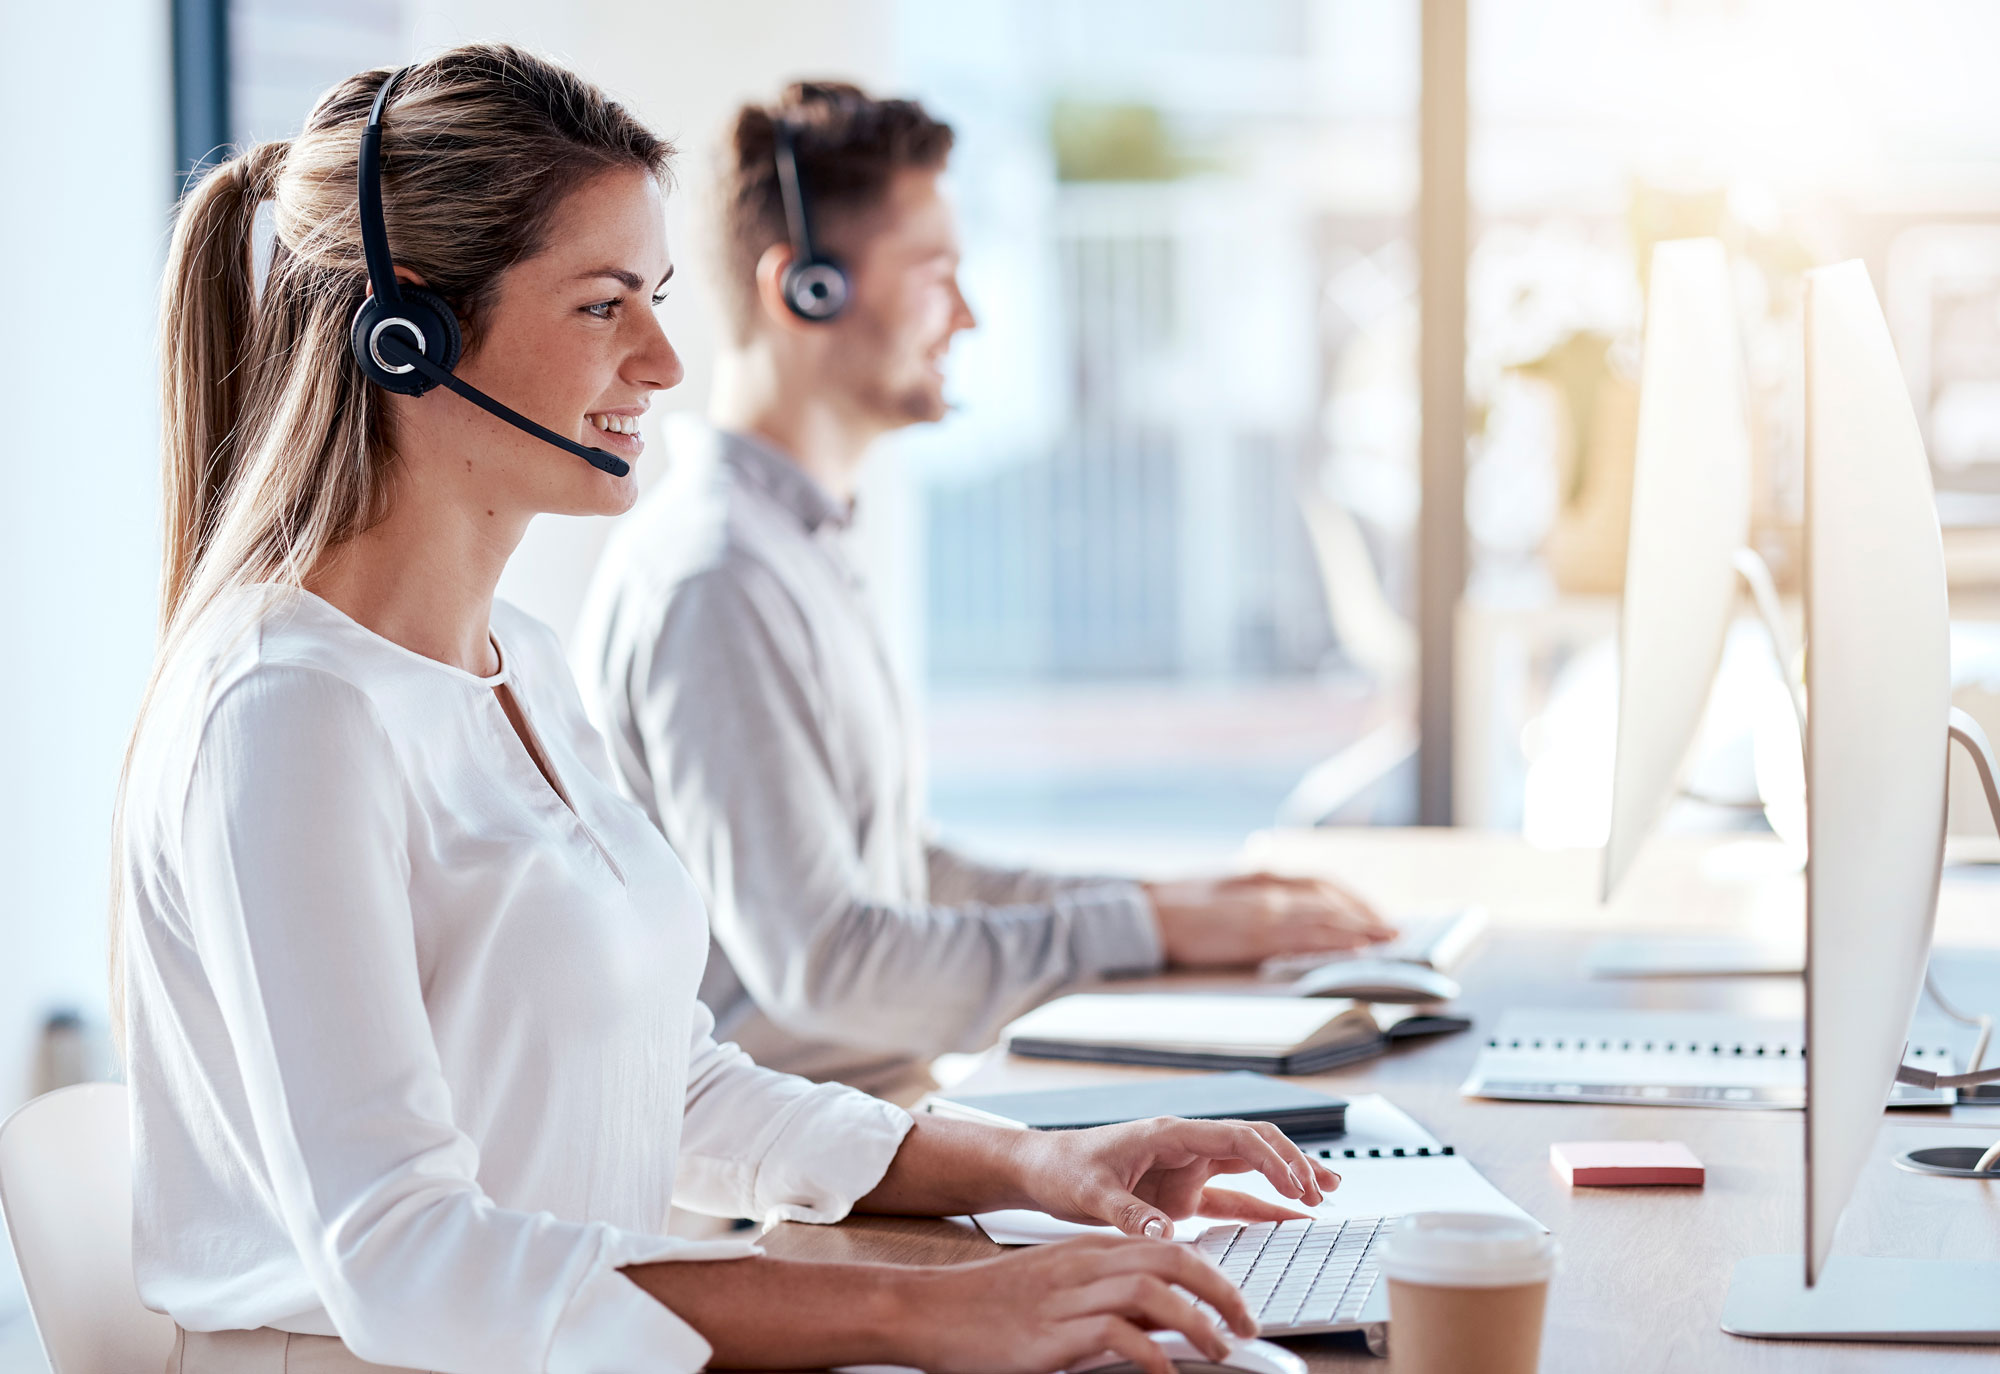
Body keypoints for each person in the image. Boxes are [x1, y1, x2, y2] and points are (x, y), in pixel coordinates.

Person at [115, 46, 1340, 1374]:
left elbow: (671, 1077)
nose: (661, 358)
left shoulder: (514, 661)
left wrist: (1041, 1166)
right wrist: (924, 1313)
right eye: (602, 306)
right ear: (404, 333)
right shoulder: (285, 718)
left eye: (654, 296)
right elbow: (411, 1257)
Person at [573, 82, 1393, 1100]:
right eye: (935, 274)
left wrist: (1170, 902)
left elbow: (902, 876)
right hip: (801, 1189)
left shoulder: (791, 544)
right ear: (807, 290)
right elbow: (826, 963)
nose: (968, 315)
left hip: (883, 1131)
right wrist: (1147, 929)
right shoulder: (718, 578)